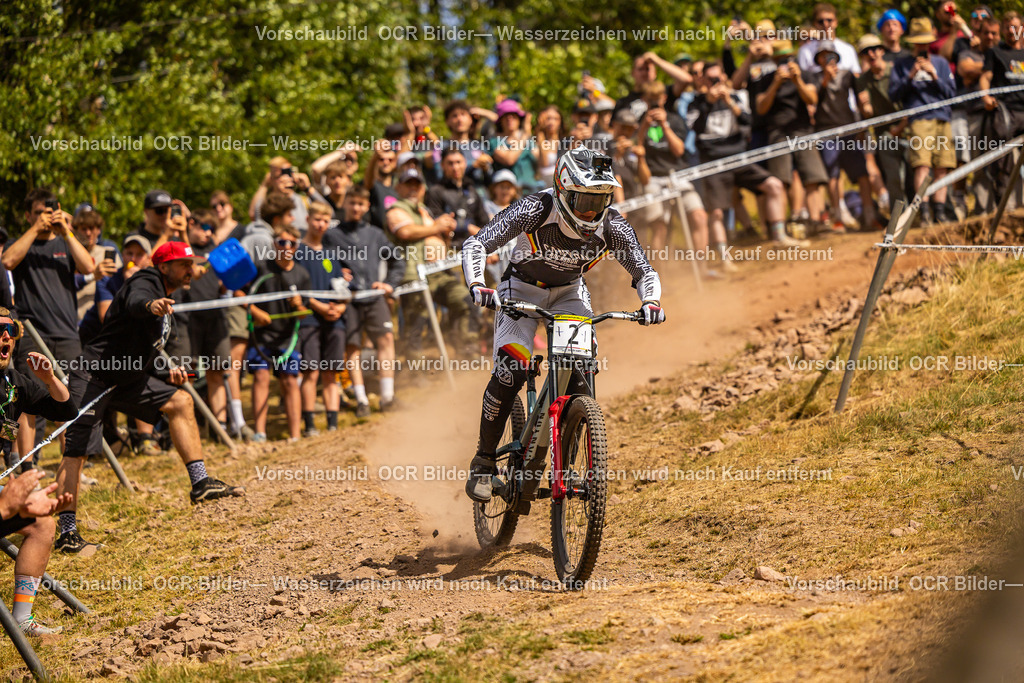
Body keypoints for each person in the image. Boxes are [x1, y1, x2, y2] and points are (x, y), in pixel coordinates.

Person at [460, 146, 665, 502]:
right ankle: (484, 461)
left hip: (570, 293)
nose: (590, 211)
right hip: (520, 289)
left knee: (582, 372)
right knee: (512, 368)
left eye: (598, 201)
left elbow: (644, 271)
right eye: (582, 199)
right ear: (562, 188)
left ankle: (568, 457)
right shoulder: (535, 208)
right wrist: (478, 285)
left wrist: (650, 302)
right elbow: (477, 243)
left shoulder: (613, 225)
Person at [56, 241, 245, 554]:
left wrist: (163, 372)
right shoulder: (146, 281)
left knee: (180, 401)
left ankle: (200, 484)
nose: (189, 270)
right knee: (76, 452)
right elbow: (135, 300)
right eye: (183, 264)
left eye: (191, 263)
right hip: (93, 375)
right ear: (164, 266)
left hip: (127, 377)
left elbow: (143, 348)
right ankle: (67, 533)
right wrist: (150, 305)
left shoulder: (167, 291)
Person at [3, 189, 95, 462]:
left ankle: (71, 461)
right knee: (28, 400)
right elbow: (7, 261)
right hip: (32, 332)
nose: (47, 216)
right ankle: (27, 465)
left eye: (50, 210)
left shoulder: (66, 241)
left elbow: (89, 267)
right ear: (29, 214)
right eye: (41, 211)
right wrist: (35, 229)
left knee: (68, 396)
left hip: (67, 332)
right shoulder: (21, 242)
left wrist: (65, 230)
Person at [0, 308, 76, 634]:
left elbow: (65, 409)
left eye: (12, 329)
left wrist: (49, 380)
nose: (6, 336)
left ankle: (20, 619)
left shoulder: (12, 381)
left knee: (43, 524)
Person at [688, 62, 790, 254]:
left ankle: (779, 237)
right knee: (716, 212)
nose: (715, 83)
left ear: (724, 77)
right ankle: (724, 258)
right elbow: (696, 129)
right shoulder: (696, 103)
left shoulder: (735, 97)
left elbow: (748, 121)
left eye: (718, 78)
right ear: (703, 80)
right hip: (714, 163)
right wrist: (708, 104)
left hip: (739, 158)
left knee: (774, 185)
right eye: (711, 79)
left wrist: (729, 102)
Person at [328, 186, 403, 417]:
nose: (356, 208)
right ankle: (361, 400)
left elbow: (397, 259)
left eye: (361, 204)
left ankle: (388, 396)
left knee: (386, 340)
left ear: (367, 206)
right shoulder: (332, 234)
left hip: (373, 296)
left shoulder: (375, 234)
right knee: (352, 348)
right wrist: (337, 273)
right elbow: (324, 263)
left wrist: (389, 284)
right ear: (345, 204)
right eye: (352, 203)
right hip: (348, 299)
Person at [244, 224, 311, 442]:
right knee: (261, 377)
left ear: (297, 246)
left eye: (292, 243)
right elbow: (239, 292)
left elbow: (304, 314)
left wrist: (299, 306)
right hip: (262, 335)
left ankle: (294, 435)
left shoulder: (302, 274)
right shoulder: (261, 268)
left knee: (290, 380)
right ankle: (259, 433)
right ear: (274, 244)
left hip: (288, 338)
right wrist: (255, 311)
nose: (287, 247)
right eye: (282, 242)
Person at [889, 17, 957, 224]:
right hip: (918, 119)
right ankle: (924, 212)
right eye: (919, 42)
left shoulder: (941, 63)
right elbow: (894, 95)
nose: (922, 46)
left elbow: (952, 94)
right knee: (922, 166)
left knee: (942, 167)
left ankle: (940, 212)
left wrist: (934, 75)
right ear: (913, 43)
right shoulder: (901, 65)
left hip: (943, 119)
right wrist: (910, 76)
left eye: (925, 42)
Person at [808, 41, 877, 232]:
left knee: (861, 173)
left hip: (849, 131)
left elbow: (861, 100)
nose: (827, 58)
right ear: (818, 59)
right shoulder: (813, 78)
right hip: (826, 133)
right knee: (833, 175)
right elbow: (813, 101)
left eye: (830, 54)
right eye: (823, 55)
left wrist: (863, 125)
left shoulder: (847, 75)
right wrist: (825, 81)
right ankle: (838, 217)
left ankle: (870, 216)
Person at [294, 202, 348, 435]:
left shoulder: (331, 254)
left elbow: (341, 288)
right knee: (311, 371)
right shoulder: (297, 252)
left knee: (331, 372)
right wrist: (319, 307)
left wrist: (340, 308)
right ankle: (310, 424)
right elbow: (297, 290)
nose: (321, 225)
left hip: (334, 322)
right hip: (309, 321)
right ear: (307, 220)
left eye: (326, 221)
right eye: (317, 219)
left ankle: (333, 424)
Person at [425, 147, 491, 250]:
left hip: (476, 251)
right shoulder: (435, 191)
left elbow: (484, 222)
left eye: (458, 162)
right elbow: (435, 222)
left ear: (465, 163)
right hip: (450, 250)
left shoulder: (472, 191)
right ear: (442, 165)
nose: (455, 167)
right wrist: (467, 227)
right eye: (450, 163)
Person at [489, 99, 539, 193]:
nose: (510, 119)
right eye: (506, 116)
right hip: (509, 197)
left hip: (532, 193)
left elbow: (540, 162)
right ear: (500, 121)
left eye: (514, 116)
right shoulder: (494, 141)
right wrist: (525, 134)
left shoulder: (529, 141)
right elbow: (509, 159)